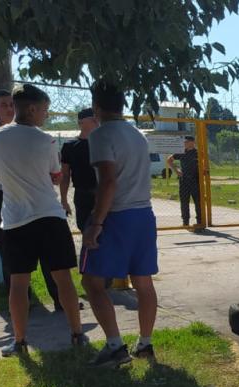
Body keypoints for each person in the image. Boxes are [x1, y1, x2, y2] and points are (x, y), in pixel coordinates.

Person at [0, 84, 86, 356]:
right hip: (49, 217)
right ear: (31, 108)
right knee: (63, 278)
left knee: (18, 282)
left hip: (15, 219)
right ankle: (77, 334)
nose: (46, 115)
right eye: (44, 109)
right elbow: (55, 174)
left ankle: (19, 341)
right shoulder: (46, 140)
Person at [81, 80, 159, 368]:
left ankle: (115, 347)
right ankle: (145, 344)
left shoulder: (101, 135)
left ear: (96, 107)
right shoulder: (137, 135)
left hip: (116, 216)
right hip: (143, 214)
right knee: (143, 281)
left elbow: (109, 181)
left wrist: (96, 223)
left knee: (91, 280)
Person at [0, 89, 62, 308]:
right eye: (3, 104)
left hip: (36, 199)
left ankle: (60, 299)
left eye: (11, 104)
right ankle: (24, 305)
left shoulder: (38, 135)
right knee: (10, 253)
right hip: (0, 195)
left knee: (49, 254)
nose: (8, 108)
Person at [59, 108, 100, 231]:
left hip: (102, 193)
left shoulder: (104, 143)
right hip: (82, 195)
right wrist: (64, 200)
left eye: (96, 119)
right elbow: (65, 176)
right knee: (85, 229)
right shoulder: (69, 146)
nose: (97, 122)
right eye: (93, 119)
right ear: (80, 123)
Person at [166, 136, 204, 229]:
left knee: (198, 202)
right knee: (184, 202)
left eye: (186, 142)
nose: (184, 144)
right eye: (184, 142)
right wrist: (176, 170)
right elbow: (169, 160)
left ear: (192, 142)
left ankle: (200, 222)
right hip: (184, 181)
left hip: (196, 180)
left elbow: (204, 163)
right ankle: (185, 222)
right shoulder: (182, 151)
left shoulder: (198, 153)